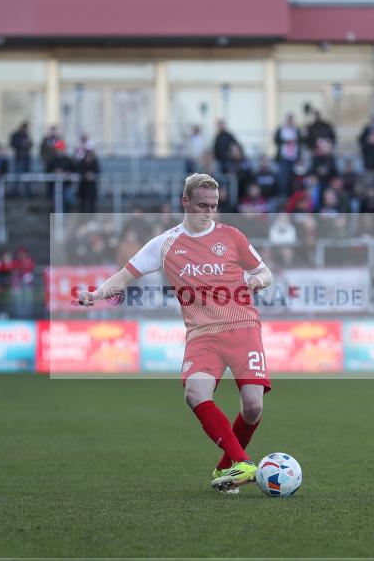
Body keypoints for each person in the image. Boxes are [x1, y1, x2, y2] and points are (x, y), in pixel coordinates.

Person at [78, 173, 274, 493]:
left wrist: (258, 281)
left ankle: (227, 467)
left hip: (242, 327)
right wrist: (97, 294)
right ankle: (242, 463)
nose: (209, 212)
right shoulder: (165, 243)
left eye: (214, 206)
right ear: (185, 202)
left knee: (253, 407)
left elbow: (264, 271)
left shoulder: (232, 236)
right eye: (202, 206)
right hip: (202, 334)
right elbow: (125, 275)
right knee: (195, 394)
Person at [273, 114, 303, 198]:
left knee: (295, 179)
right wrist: (286, 141)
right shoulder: (281, 129)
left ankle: (295, 196)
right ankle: (283, 197)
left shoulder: (297, 130)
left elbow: (301, 141)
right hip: (284, 158)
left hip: (295, 158)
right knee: (282, 179)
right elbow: (276, 140)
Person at [9, 121, 33, 197]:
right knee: (17, 175)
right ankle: (15, 191)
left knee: (27, 175)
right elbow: (13, 144)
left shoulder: (27, 135)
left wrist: (27, 144)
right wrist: (21, 144)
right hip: (19, 157)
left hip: (26, 157)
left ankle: (27, 191)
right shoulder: (16, 135)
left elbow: (31, 144)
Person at [77, 148, 100, 214]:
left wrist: (92, 175)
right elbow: (79, 171)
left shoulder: (95, 162)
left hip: (92, 187)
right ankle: (82, 221)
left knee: (92, 206)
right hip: (83, 187)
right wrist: (86, 175)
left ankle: (92, 221)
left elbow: (97, 171)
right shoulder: (81, 162)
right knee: (82, 206)